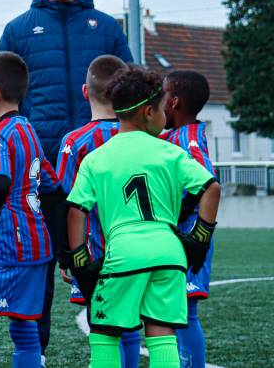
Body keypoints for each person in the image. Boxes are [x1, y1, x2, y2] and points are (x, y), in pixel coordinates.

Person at [0, 0, 133, 355]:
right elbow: (2, 94)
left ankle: (110, 349)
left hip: (103, 171)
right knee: (40, 266)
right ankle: (34, 354)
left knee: (105, 261)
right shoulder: (19, 29)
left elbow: (129, 89)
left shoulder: (106, 27)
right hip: (41, 174)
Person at [63, 66, 221, 368]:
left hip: (124, 253)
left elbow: (75, 211)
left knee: (105, 333)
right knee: (162, 334)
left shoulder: (97, 158)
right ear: (149, 112)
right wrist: (199, 239)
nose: (165, 116)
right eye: (163, 108)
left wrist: (80, 261)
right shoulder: (170, 152)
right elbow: (211, 188)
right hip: (169, 252)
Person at [55, 55, 141, 367]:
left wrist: (67, 256)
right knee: (130, 325)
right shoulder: (140, 138)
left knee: (103, 327)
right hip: (135, 250)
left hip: (93, 255)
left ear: (84, 91)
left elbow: (66, 201)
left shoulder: (75, 142)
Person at [0, 52, 51, 368]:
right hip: (37, 242)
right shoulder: (27, 129)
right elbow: (50, 179)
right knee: (23, 323)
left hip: (12, 245)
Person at [162, 70, 217, 368]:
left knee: (185, 310)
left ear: (174, 102)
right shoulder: (170, 134)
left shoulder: (190, 137)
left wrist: (186, 217)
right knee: (172, 309)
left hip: (190, 233)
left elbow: (206, 181)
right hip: (174, 233)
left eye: (162, 95)